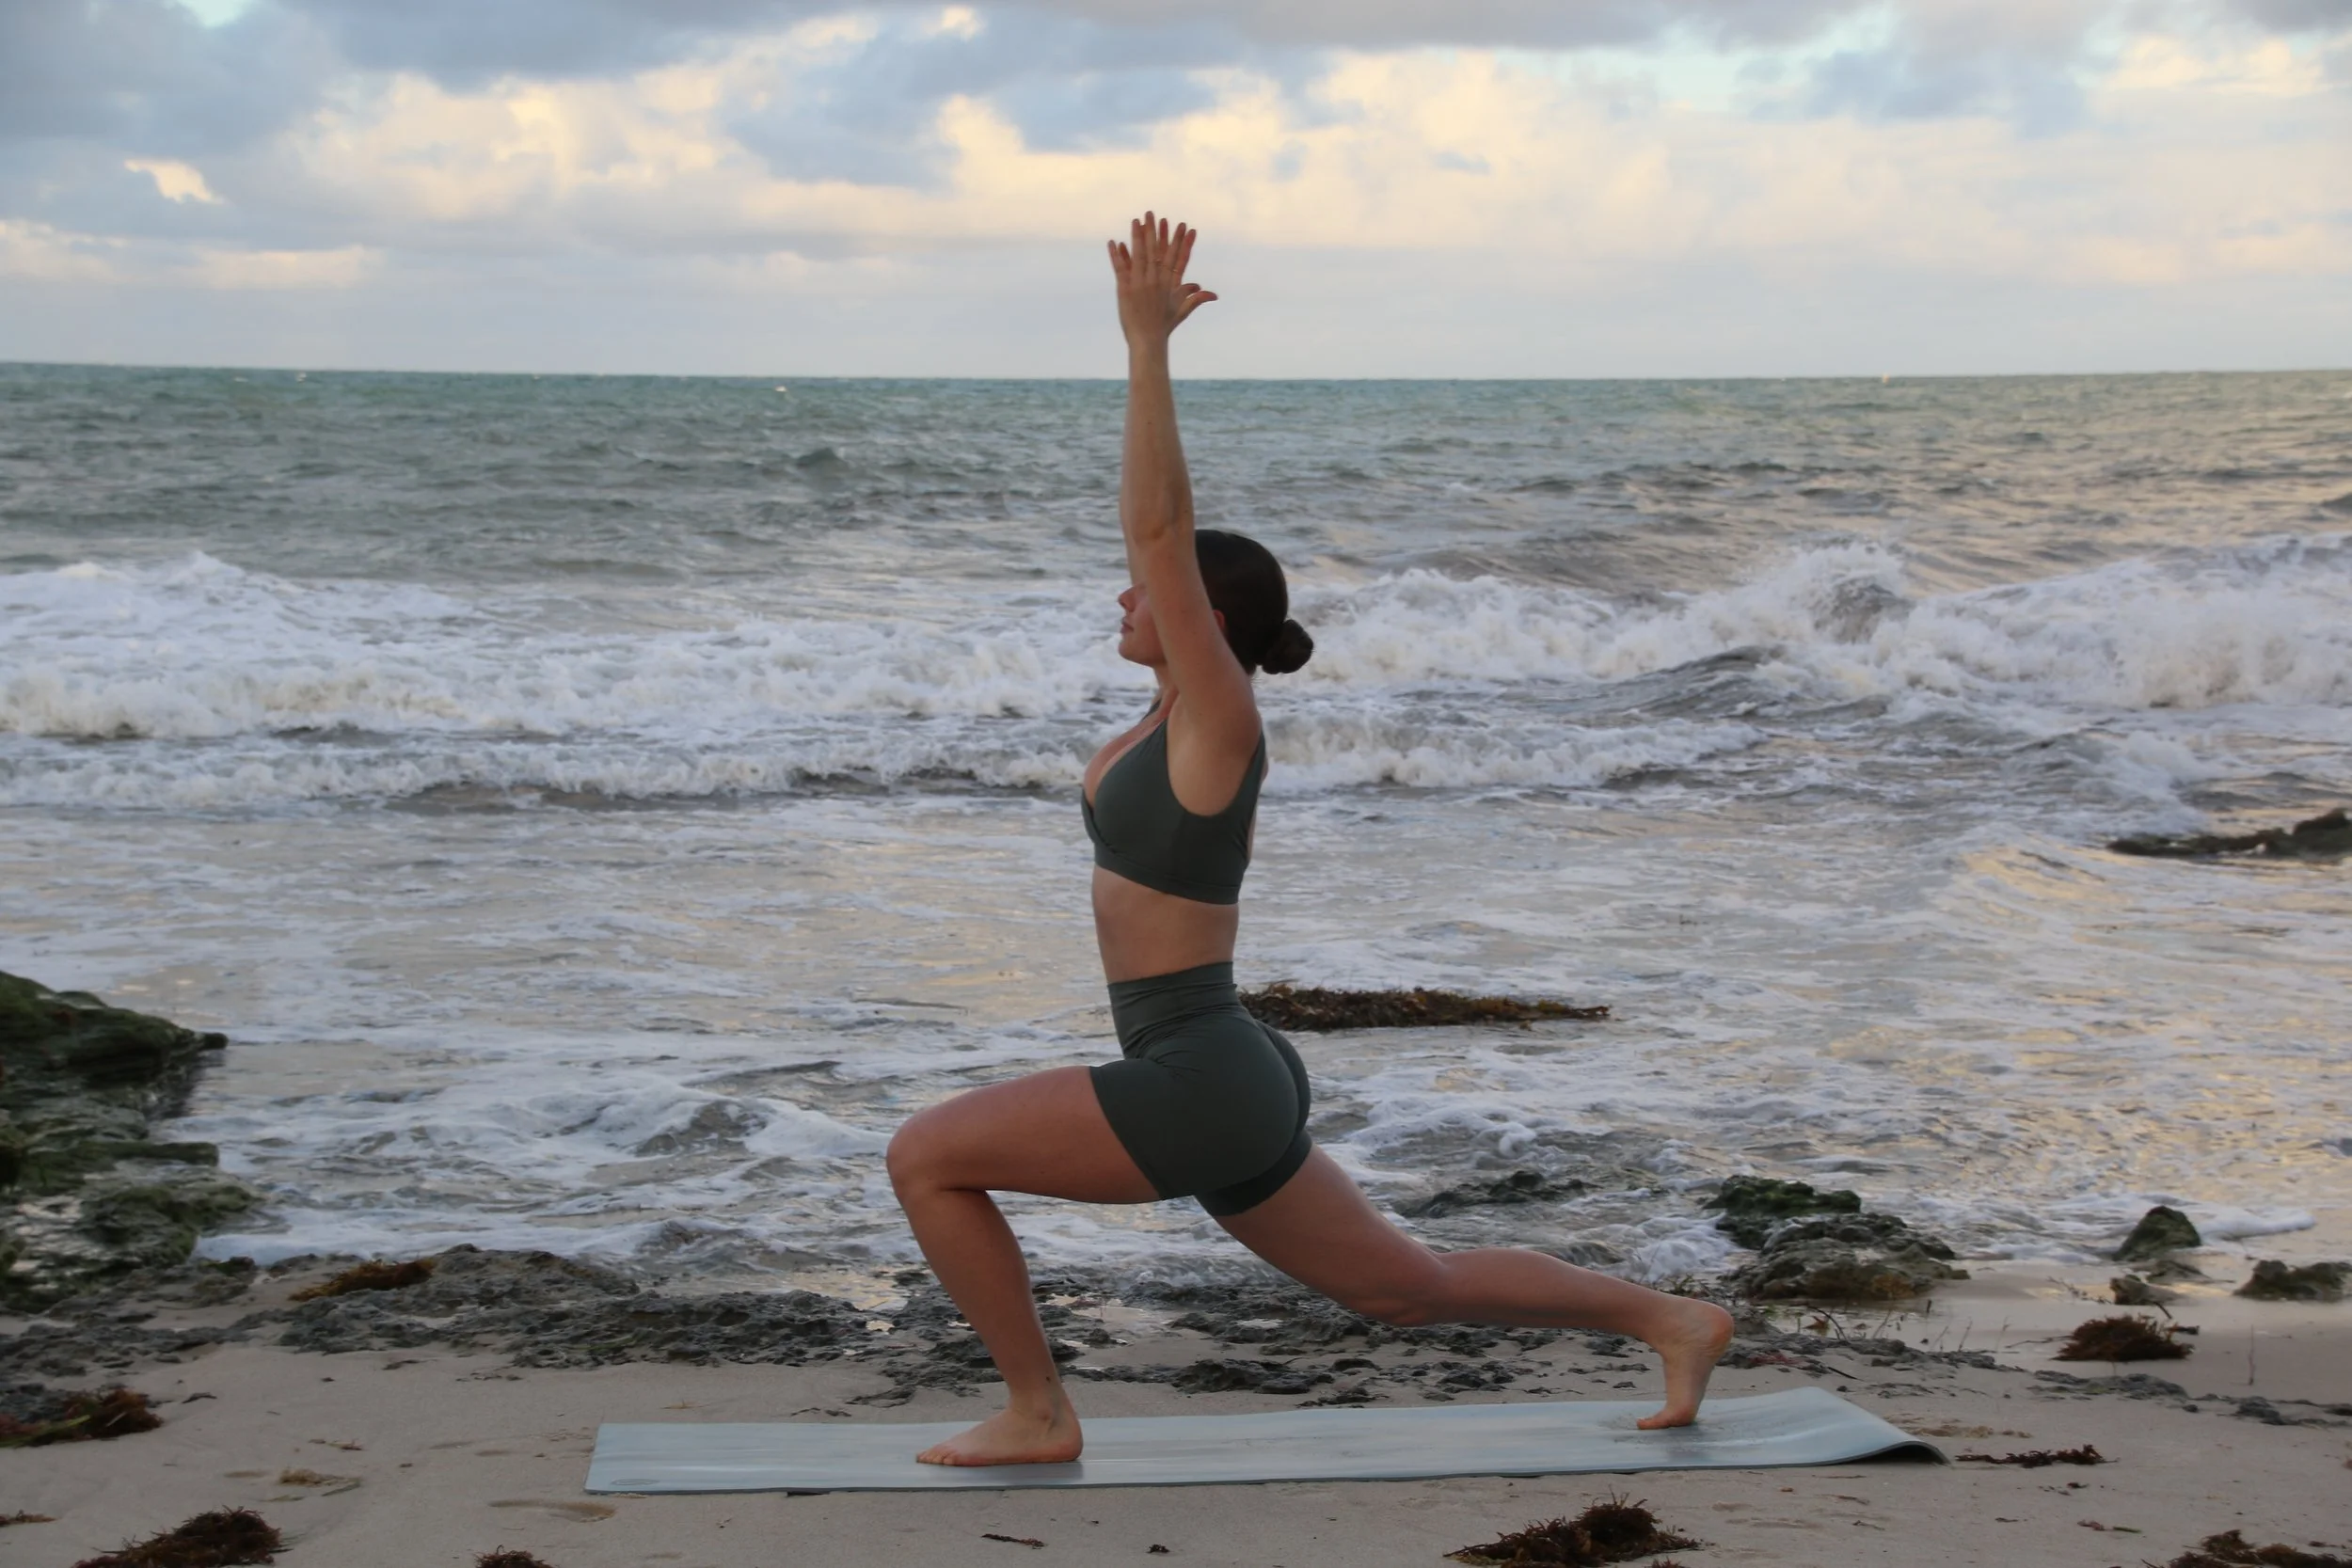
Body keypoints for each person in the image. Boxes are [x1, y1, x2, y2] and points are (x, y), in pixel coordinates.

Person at [884, 213, 1734, 1467]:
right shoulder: (1162, 717)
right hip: (1220, 1058)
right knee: (1406, 1285)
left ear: (1205, 617)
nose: (1123, 597)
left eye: (1149, 595)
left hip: (1198, 1067)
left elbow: (1159, 534)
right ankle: (1671, 1316)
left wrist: (1145, 349)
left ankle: (1039, 1412)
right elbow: (1157, 558)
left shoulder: (1218, 714)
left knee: (926, 1157)